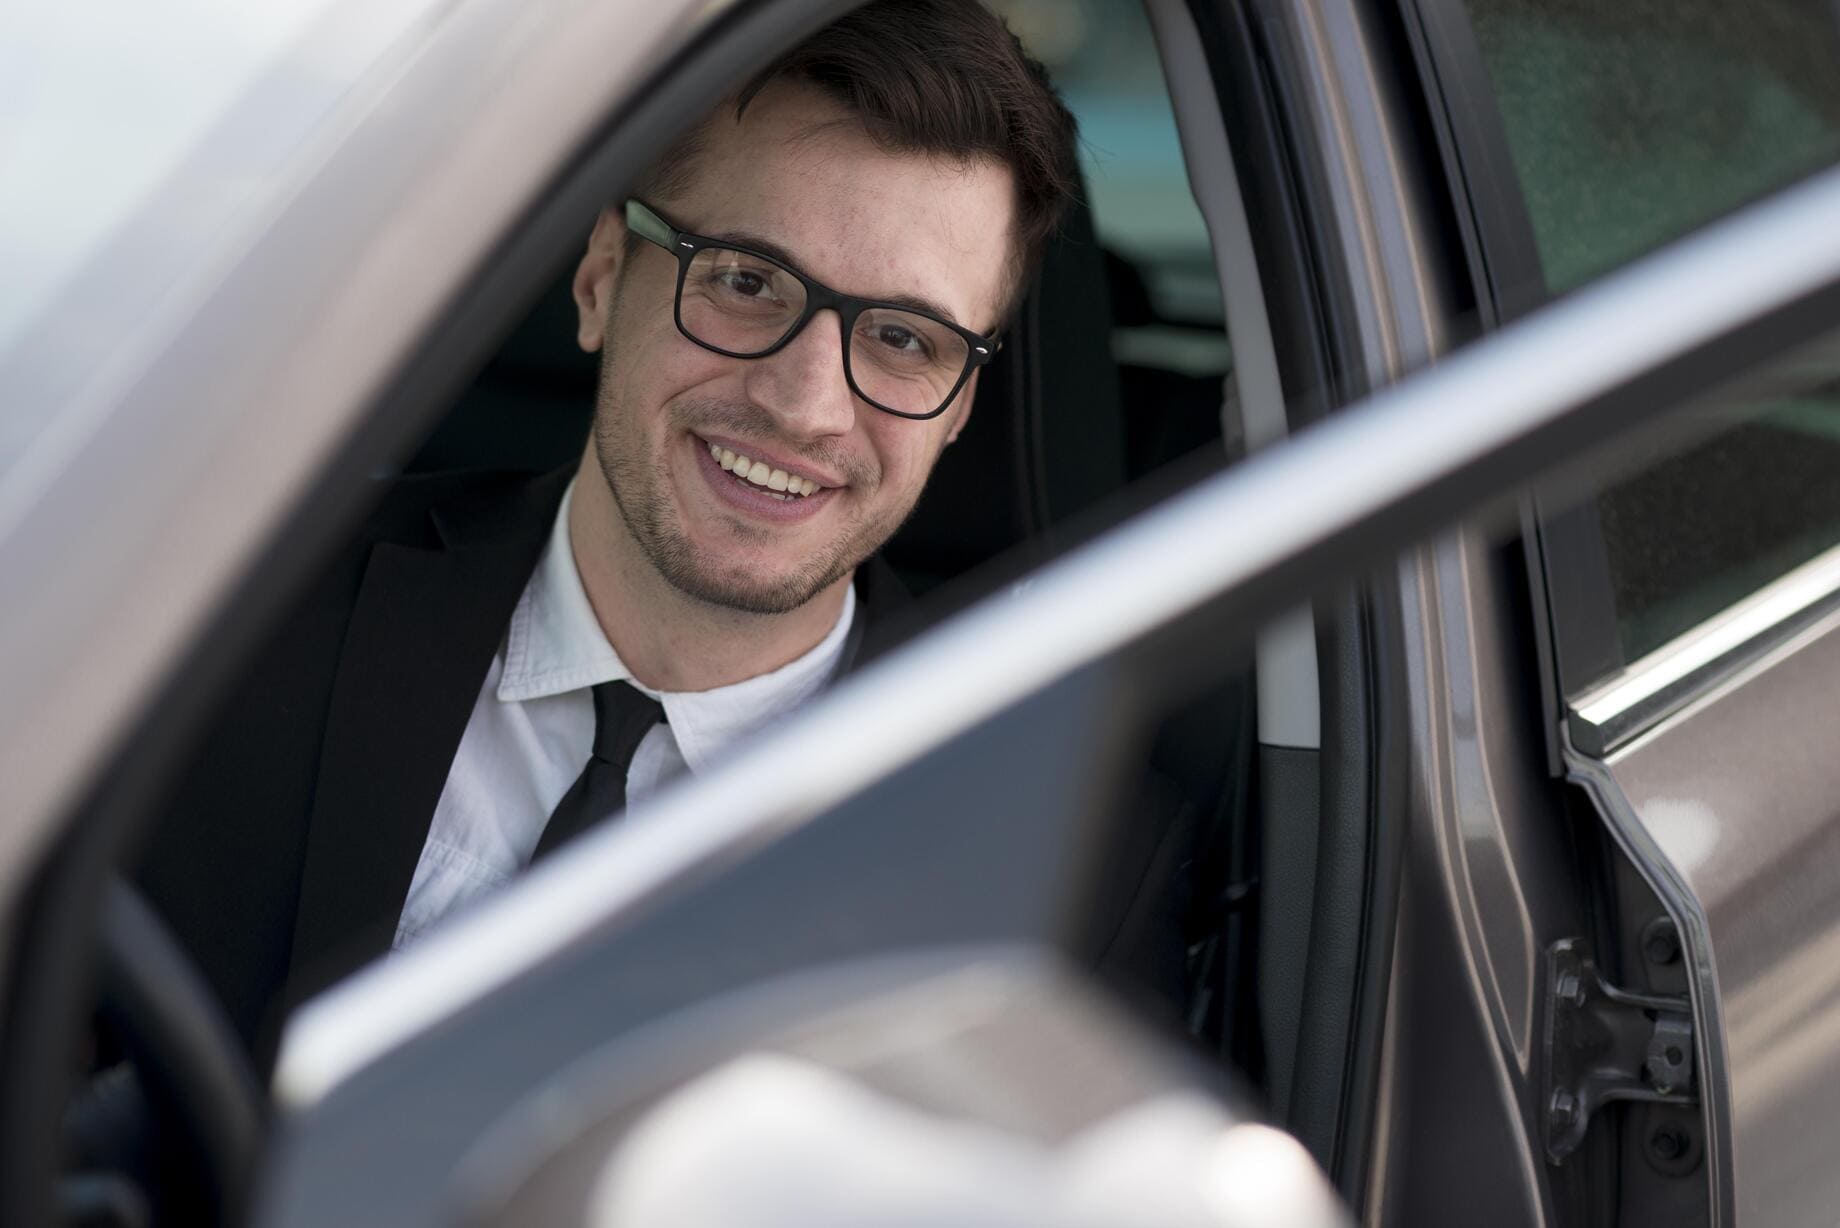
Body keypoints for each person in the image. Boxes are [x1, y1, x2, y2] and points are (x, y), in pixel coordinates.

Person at [134, 0, 1188, 1075]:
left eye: (904, 339)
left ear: (959, 406)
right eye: (745, 280)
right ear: (600, 279)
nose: (807, 403)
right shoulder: (240, 608)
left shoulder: (1064, 855)